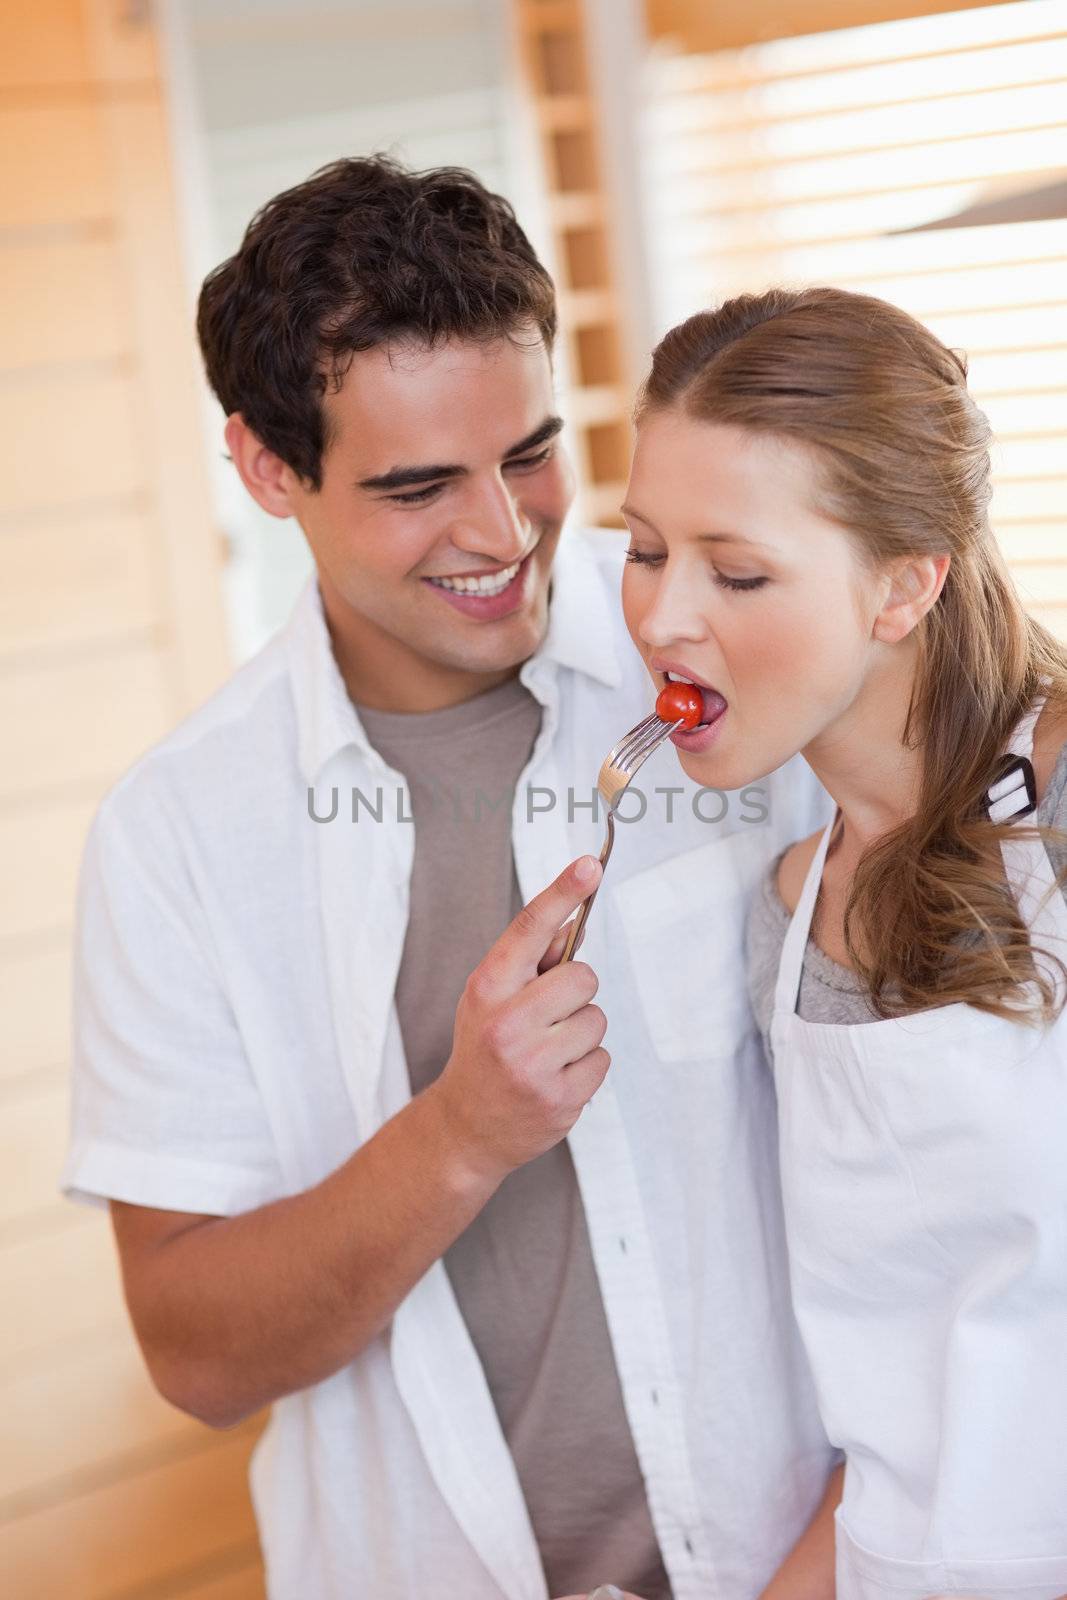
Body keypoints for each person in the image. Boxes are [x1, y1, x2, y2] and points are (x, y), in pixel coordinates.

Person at [61, 159, 839, 1600]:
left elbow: (947, 1157)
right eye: (417, 487)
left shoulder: (732, 655)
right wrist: (464, 1134)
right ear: (265, 466)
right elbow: (196, 1353)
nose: (503, 532)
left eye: (529, 452)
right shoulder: (180, 836)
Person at [620, 284, 1067, 1599]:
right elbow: (899, 1438)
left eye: (736, 570)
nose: (660, 619)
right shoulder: (790, 904)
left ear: (904, 583)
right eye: (645, 549)